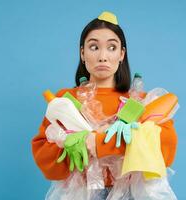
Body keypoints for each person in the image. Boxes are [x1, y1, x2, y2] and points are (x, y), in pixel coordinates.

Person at [31, 11, 178, 199]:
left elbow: (164, 149)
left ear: (121, 54)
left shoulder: (140, 101)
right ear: (82, 53)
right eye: (93, 47)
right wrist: (73, 146)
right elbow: (45, 158)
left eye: (111, 47)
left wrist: (99, 144)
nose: (102, 56)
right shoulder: (66, 101)